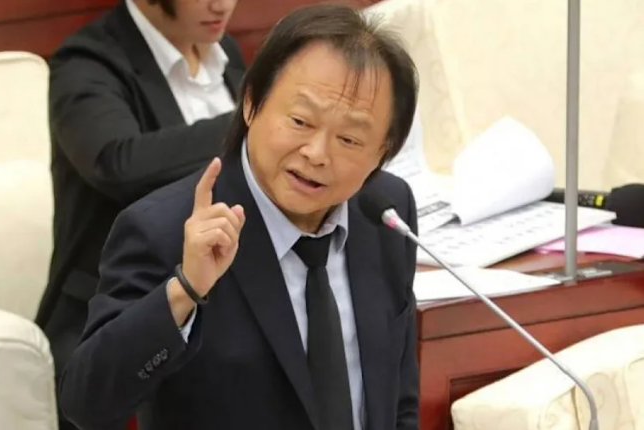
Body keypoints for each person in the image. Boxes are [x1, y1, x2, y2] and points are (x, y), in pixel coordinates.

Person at [59, 4, 420, 430]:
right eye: (300, 121)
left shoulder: (386, 213)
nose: (317, 154)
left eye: (349, 139)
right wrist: (185, 290)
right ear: (250, 103)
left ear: (384, 150)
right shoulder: (165, 229)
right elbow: (87, 403)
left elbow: (398, 398)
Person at [35, 0, 243, 428]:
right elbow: (118, 163)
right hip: (120, 311)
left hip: (230, 301)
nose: (221, 4)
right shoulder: (86, 61)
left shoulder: (224, 51)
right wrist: (254, 120)